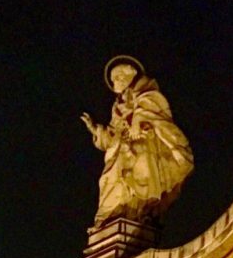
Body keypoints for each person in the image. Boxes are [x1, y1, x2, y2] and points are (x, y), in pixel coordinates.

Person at [81, 56, 193, 228]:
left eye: (118, 76)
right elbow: (112, 136)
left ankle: (139, 214)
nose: (115, 82)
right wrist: (96, 130)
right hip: (120, 149)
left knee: (140, 176)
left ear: (131, 73)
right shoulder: (117, 107)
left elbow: (154, 111)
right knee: (108, 180)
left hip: (142, 144)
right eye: (113, 79)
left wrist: (137, 120)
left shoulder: (147, 91)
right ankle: (110, 220)